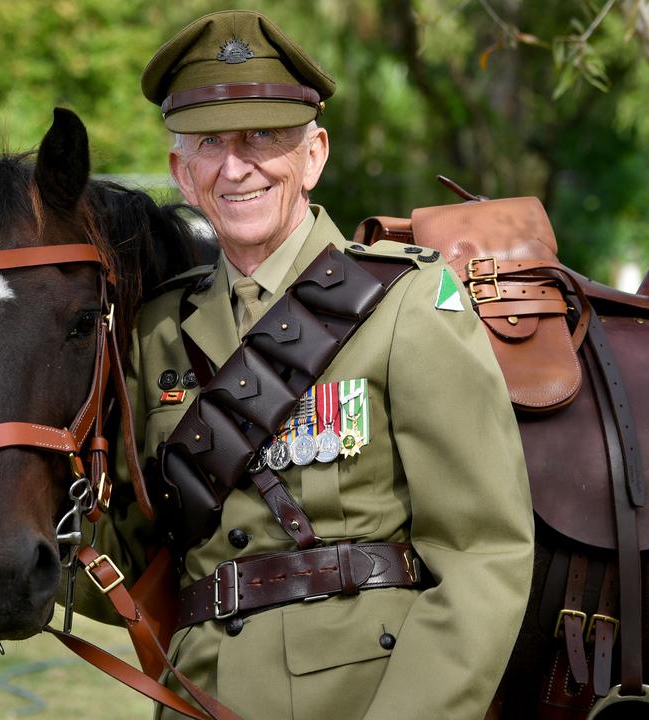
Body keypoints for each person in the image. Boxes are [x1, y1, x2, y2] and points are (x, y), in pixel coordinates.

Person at [71, 10, 534, 719]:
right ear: (181, 172)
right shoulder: (158, 330)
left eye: (263, 138)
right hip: (203, 695)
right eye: (210, 144)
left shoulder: (407, 303)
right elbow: (135, 565)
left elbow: (482, 555)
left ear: (314, 155)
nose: (236, 166)